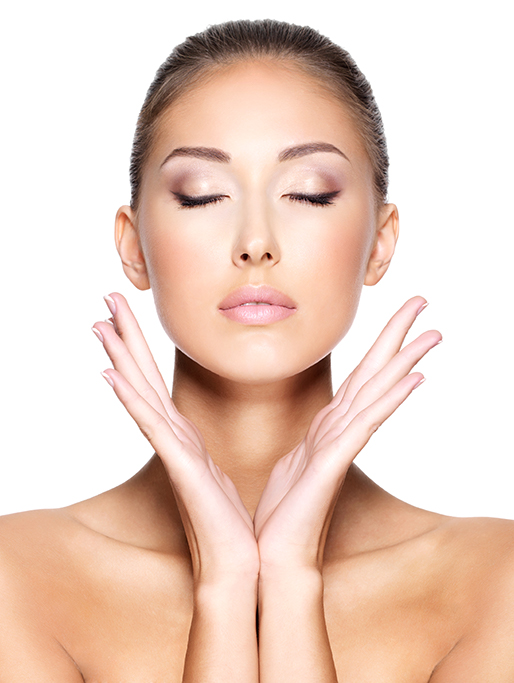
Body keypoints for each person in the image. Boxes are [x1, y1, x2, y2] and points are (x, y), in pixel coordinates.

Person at [1, 18, 513, 681]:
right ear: (133, 245)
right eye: (202, 195)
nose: (255, 243)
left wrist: (291, 579)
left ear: (381, 242)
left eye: (309, 193)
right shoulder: (18, 576)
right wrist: (225, 582)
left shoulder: (494, 581)